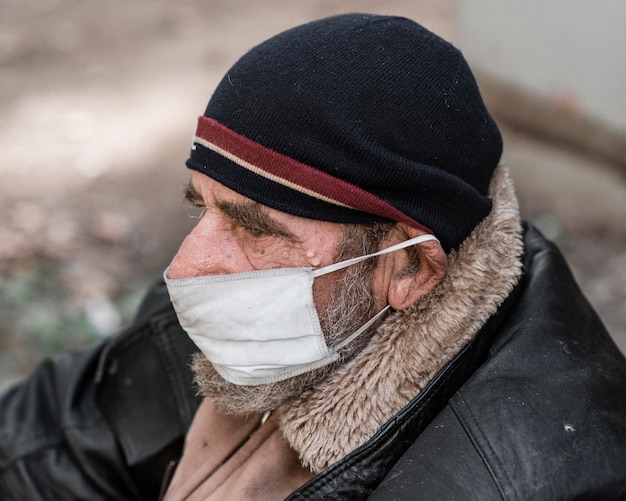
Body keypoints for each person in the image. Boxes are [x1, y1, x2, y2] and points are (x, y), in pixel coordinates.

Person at [1, 13, 625, 500]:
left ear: (409, 267)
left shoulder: (532, 476)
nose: (185, 270)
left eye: (256, 230)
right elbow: (41, 447)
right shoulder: (241, 308)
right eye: (204, 208)